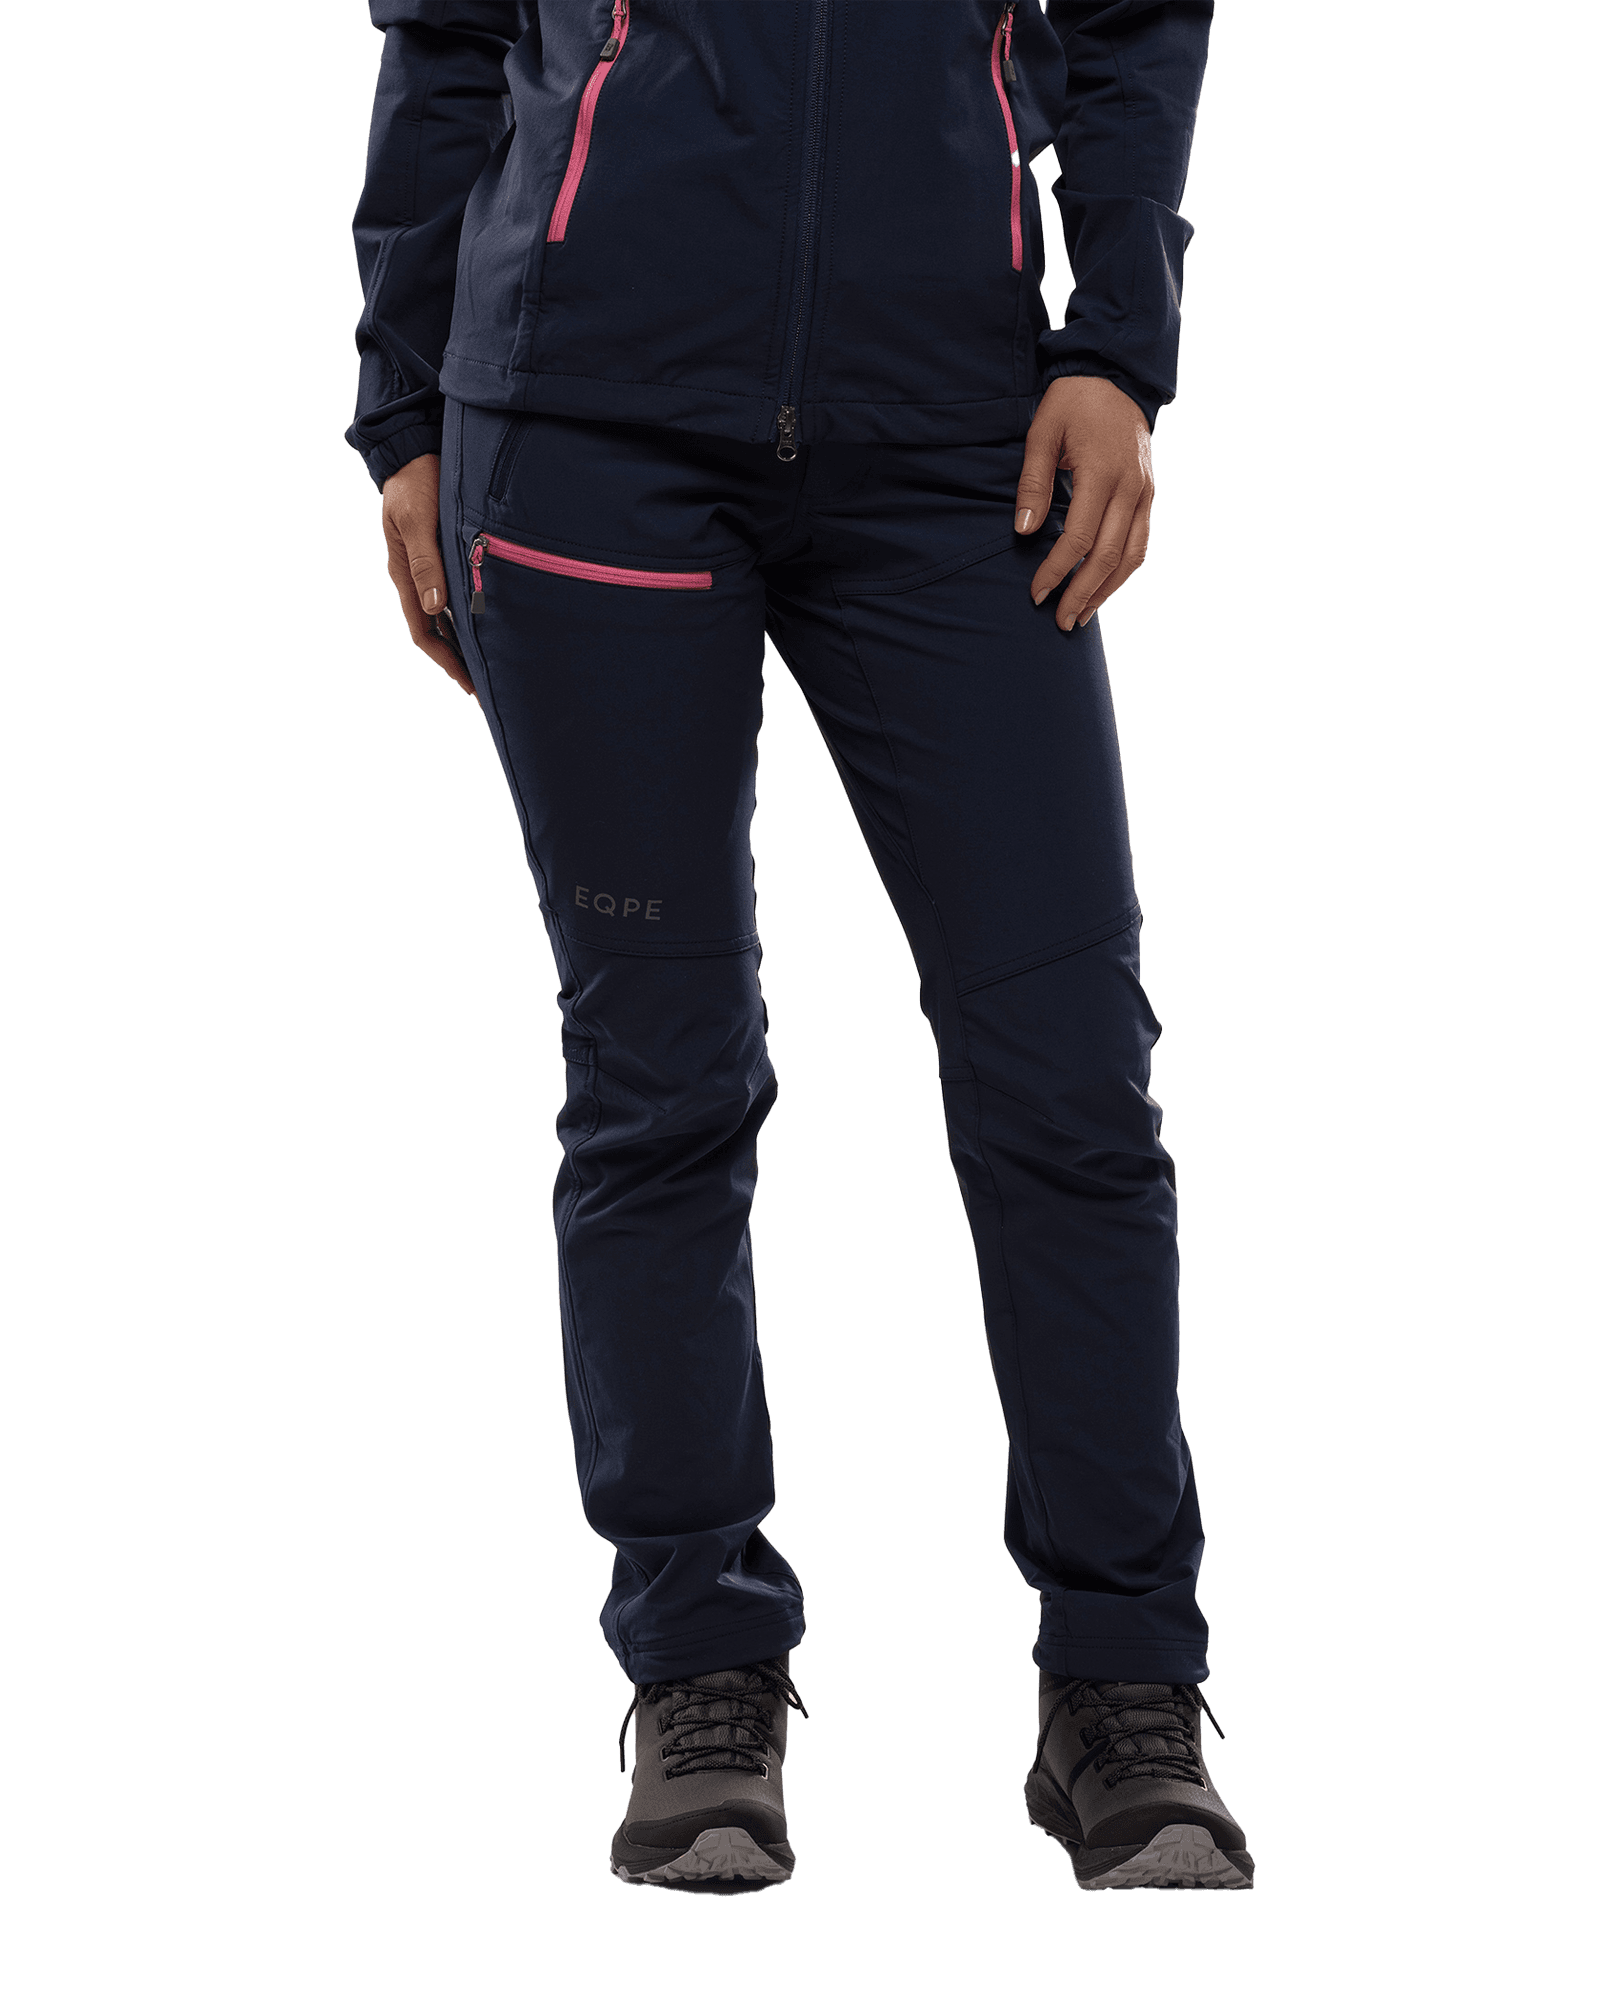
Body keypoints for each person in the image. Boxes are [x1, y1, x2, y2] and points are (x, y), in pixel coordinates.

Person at [345, 0, 1249, 1894]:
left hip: (957, 440)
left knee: (1071, 1071)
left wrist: (1117, 343)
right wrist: (405, 405)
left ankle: (1122, 1678)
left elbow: (1137, 16)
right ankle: (699, 1667)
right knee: (660, 1077)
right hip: (585, 427)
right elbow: (444, 29)